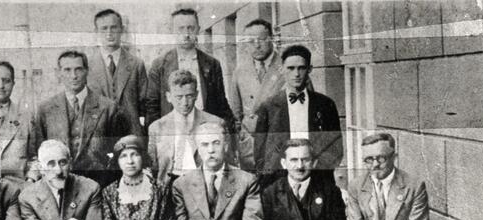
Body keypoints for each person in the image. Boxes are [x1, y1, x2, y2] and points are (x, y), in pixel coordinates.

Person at [35, 50, 132, 187]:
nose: (73, 76)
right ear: (59, 73)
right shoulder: (46, 109)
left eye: (78, 69)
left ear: (86, 71)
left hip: (99, 186)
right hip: (58, 185)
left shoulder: (109, 108)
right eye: (67, 70)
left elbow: (117, 154)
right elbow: (38, 151)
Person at [253, 45, 342, 184]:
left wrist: (316, 171)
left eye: (301, 68)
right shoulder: (268, 107)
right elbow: (259, 152)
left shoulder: (325, 105)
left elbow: (336, 149)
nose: (296, 74)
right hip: (279, 182)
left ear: (310, 69)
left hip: (317, 180)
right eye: (291, 68)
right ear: (282, 69)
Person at [145, 8, 233, 129]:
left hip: (206, 131)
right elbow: (152, 107)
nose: (186, 34)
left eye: (190, 28)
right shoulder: (159, 65)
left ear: (198, 29)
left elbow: (221, 103)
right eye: (180, 29)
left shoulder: (212, 64)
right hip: (173, 131)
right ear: (172, 31)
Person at [147, 69, 225, 184]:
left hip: (203, 183)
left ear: (196, 95)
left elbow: (225, 163)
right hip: (169, 185)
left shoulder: (215, 123)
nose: (184, 103)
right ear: (168, 97)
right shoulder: (157, 127)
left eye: (189, 96)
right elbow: (152, 166)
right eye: (179, 97)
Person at [229, 19, 285, 171]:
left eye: (261, 40)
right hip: (250, 145)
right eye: (251, 41)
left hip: (280, 143)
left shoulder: (287, 67)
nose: (257, 45)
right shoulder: (240, 71)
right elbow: (235, 113)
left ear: (271, 39)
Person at [87, 9, 147, 135]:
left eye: (113, 28)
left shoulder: (137, 64)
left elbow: (144, 104)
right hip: (99, 135)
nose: (109, 33)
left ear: (122, 30)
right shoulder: (87, 66)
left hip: (131, 135)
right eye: (104, 29)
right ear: (96, 32)